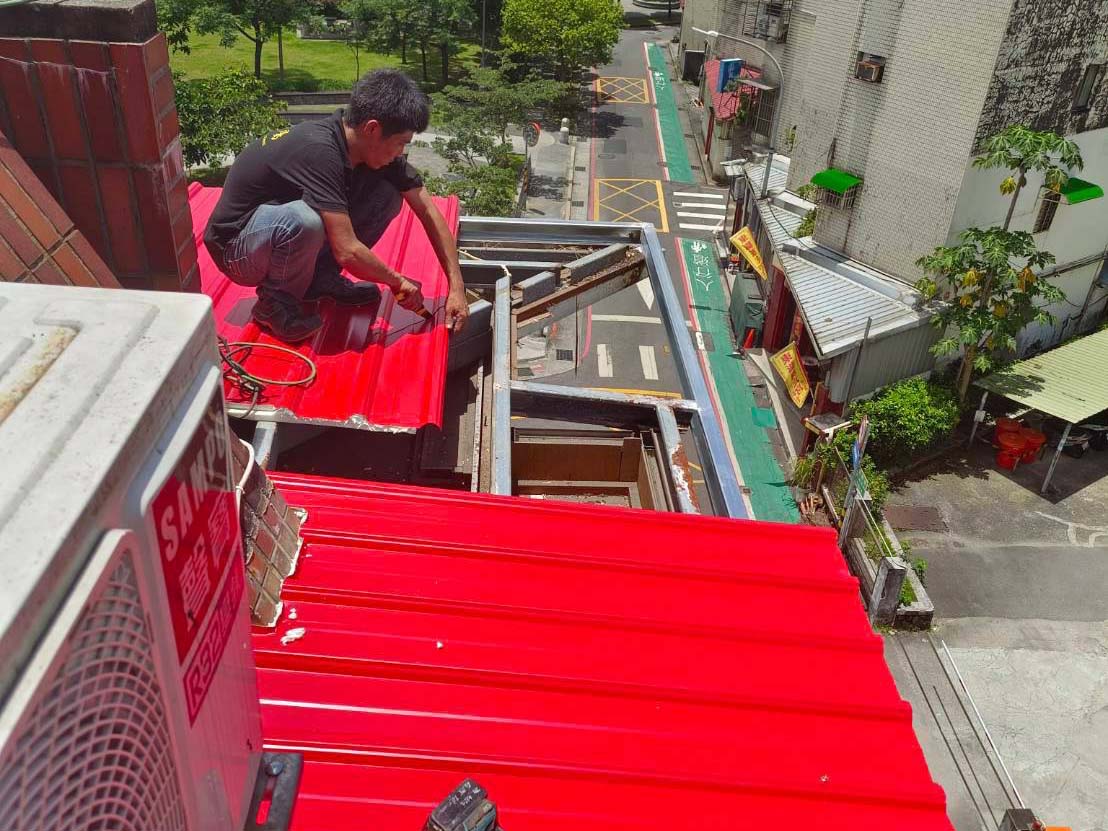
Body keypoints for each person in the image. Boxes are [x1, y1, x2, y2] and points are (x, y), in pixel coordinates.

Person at [203, 69, 468, 342]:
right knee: (302, 221)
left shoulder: (367, 148)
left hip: (270, 237)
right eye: (400, 143)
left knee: (387, 196)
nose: (401, 152)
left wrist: (456, 287)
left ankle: (320, 279)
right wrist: (396, 281)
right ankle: (274, 303)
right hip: (237, 249)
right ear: (373, 128)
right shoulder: (320, 150)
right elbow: (347, 251)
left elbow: (427, 210)